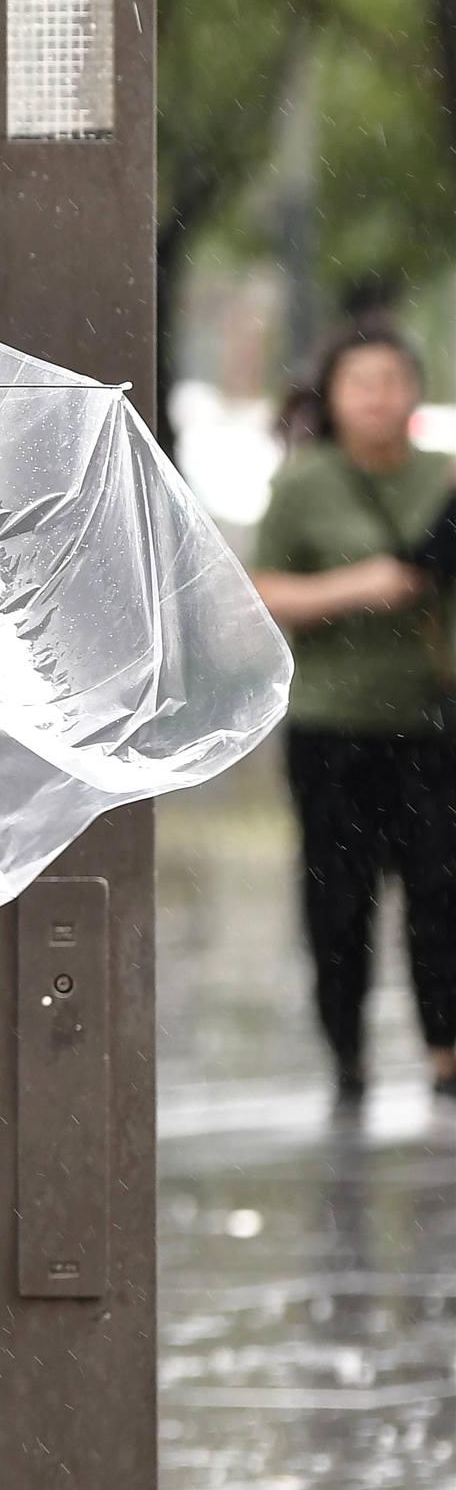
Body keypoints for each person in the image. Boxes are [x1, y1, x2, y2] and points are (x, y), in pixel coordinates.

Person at [250, 318, 456, 1117]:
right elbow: (259, 592)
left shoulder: (443, 479)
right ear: (333, 396)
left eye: (394, 381)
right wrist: (361, 587)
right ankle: (349, 1056)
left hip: (434, 724)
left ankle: (445, 1056)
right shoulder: (305, 483)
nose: (380, 397)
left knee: (443, 894)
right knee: (340, 898)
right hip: (333, 730)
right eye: (362, 383)